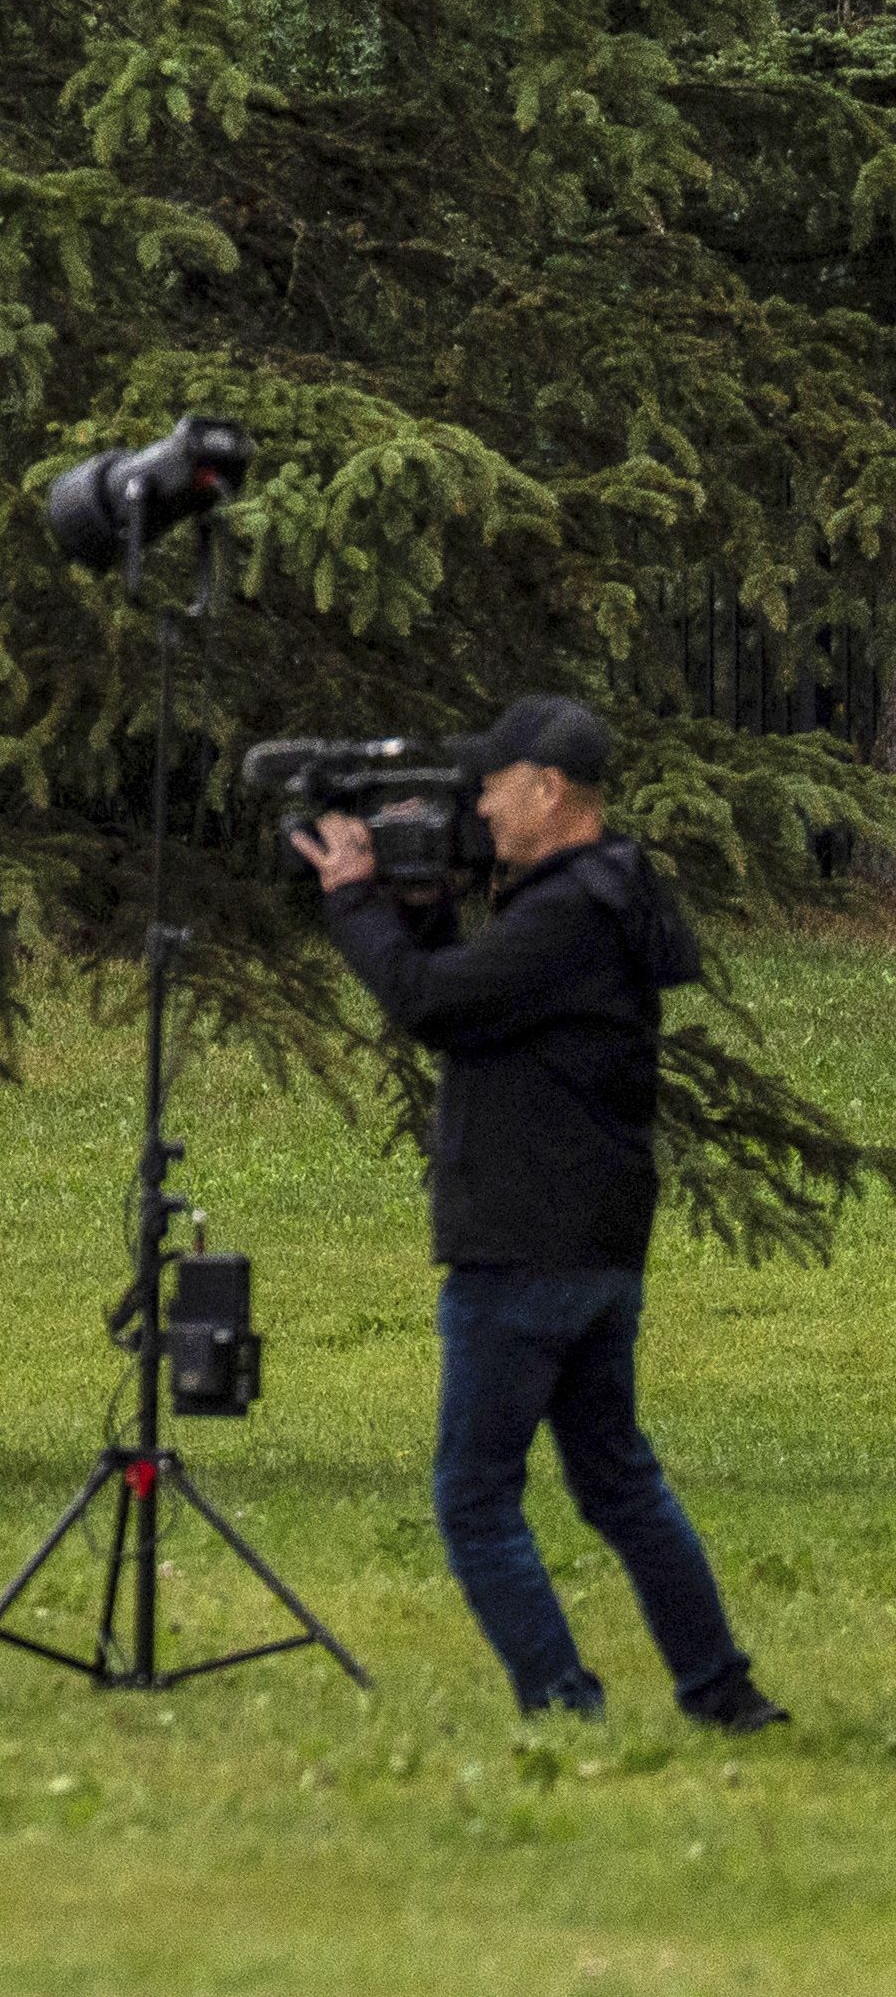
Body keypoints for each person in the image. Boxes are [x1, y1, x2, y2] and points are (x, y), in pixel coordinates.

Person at [297, 692, 786, 1732]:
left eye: (493, 783)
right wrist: (419, 905)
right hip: (595, 1244)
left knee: (475, 1499)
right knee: (616, 1481)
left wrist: (352, 899)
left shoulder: (569, 912)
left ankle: (566, 1707)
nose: (480, 802)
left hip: (524, 1246)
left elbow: (434, 1006)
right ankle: (721, 1691)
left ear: (548, 787)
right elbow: (474, 1004)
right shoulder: (598, 897)